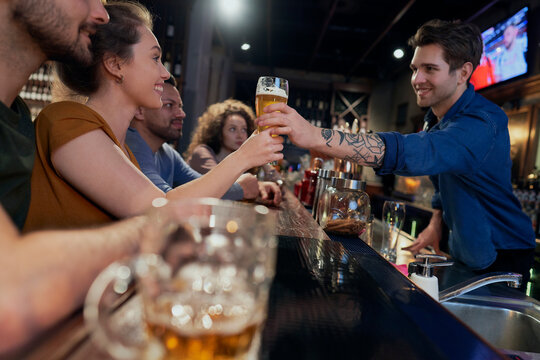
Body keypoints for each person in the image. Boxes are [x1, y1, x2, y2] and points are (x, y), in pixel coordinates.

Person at [257, 19, 536, 287]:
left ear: (463, 72)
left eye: (430, 69)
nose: (417, 79)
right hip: (470, 252)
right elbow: (444, 177)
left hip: (503, 256)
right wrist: (436, 222)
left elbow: (421, 152)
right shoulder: (436, 118)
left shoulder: (482, 122)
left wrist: (316, 136)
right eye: (415, 68)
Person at [0, 0, 189, 353]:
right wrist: (148, 229)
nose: (101, 13)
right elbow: (10, 298)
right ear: (115, 66)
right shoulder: (63, 120)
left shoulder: (19, 119)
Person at [23, 2, 283, 232]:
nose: (165, 73)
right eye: (155, 58)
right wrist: (243, 157)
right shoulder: (66, 119)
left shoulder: (122, 148)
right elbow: (162, 214)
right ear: (115, 65)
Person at [127, 76, 282, 206]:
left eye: (180, 106)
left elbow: (203, 184)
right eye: (169, 105)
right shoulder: (131, 145)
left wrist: (256, 185)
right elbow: (164, 204)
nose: (181, 114)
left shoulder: (167, 153)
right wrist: (243, 177)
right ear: (139, 110)